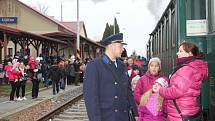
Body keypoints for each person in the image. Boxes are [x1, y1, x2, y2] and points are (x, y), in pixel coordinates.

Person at [83, 33, 138, 121]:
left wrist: (136, 112)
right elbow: (91, 99)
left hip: (123, 116)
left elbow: (128, 91)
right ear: (112, 46)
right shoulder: (94, 65)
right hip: (107, 117)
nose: (123, 49)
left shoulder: (122, 66)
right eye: (120, 46)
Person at [152, 42, 208, 121]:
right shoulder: (193, 67)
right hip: (188, 109)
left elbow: (176, 92)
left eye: (180, 51)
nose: (177, 53)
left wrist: (160, 90)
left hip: (180, 113)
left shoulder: (186, 69)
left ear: (189, 54)